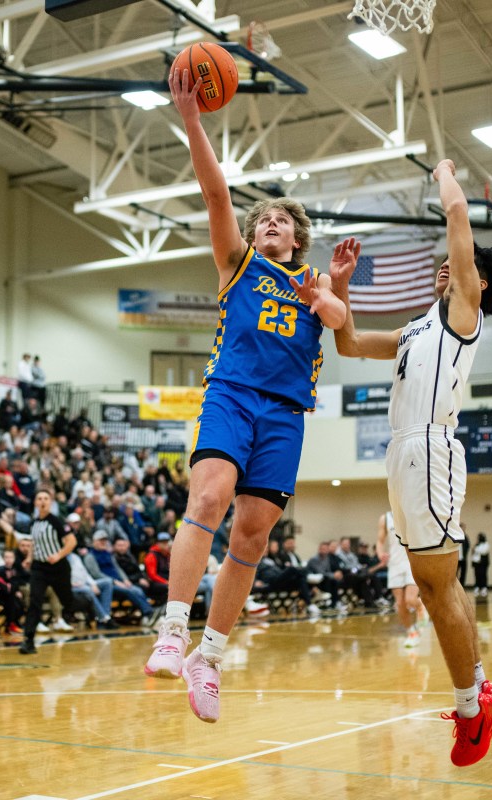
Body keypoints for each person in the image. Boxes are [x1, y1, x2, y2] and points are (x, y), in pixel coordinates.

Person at [142, 66, 352, 725]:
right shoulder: (238, 263)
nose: (268, 223)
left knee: (254, 537)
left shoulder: (313, 283)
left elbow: (342, 327)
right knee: (207, 497)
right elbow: (213, 194)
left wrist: (333, 292)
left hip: (287, 415)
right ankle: (174, 629)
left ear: (296, 237)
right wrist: (192, 121)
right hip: (232, 395)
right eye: (263, 217)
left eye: (281, 220)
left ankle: (209, 656)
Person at [331, 158, 492, 765]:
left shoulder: (466, 310)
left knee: (436, 588)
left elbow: (458, 212)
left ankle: (472, 713)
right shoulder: (419, 327)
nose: (448, 265)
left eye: (461, 265)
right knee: (439, 582)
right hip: (404, 452)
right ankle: (483, 686)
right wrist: (339, 285)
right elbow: (350, 343)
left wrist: (441, 169)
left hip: (429, 446)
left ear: (477, 282)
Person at [19, 489, 78, 655]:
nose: (43, 501)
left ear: (50, 502)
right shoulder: (34, 523)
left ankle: (73, 613)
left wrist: (58, 555)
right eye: (39, 498)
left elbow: (72, 541)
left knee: (68, 601)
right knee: (35, 601)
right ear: (36, 503)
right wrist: (30, 558)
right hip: (39, 567)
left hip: (58, 567)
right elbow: (34, 543)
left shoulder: (56, 521)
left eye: (46, 498)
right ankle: (28, 640)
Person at [377, 510, 425, 648]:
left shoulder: (413, 512)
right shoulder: (385, 518)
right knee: (399, 604)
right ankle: (412, 633)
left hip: (412, 562)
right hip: (395, 564)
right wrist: (380, 554)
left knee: (410, 599)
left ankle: (420, 606)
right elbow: (380, 541)